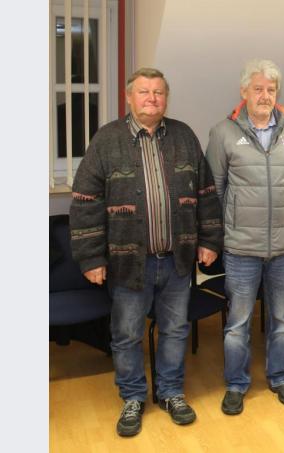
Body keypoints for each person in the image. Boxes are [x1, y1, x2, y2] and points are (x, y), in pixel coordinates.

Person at [70, 67, 223, 437]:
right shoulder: (107, 140)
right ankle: (133, 397)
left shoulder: (184, 136)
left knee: (174, 330)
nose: (151, 98)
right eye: (144, 92)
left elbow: (206, 194)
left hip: (177, 260)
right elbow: (85, 202)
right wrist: (91, 258)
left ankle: (171, 392)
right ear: (129, 97)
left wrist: (209, 241)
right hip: (126, 263)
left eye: (158, 92)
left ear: (166, 98)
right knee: (126, 334)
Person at [206, 59, 284, 413]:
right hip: (241, 249)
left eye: (270, 89)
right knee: (238, 323)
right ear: (244, 91)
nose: (264, 96)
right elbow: (215, 190)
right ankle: (236, 383)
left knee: (282, 319)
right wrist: (225, 232)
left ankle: (279, 377)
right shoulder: (223, 133)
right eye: (258, 89)